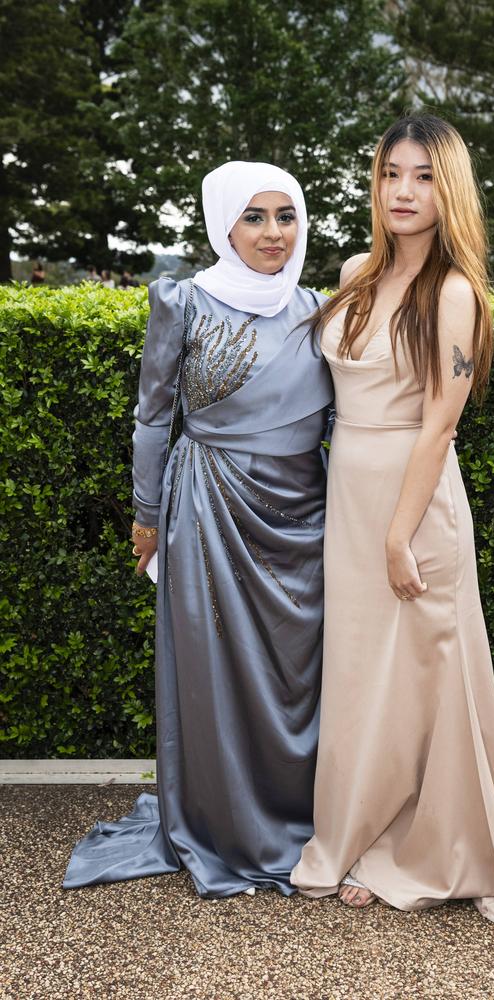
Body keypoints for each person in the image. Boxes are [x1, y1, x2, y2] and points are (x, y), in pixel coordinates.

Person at [63, 161, 333, 898]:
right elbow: (154, 418)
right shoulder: (183, 301)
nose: (274, 233)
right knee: (215, 673)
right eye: (254, 217)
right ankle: (223, 824)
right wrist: (147, 515)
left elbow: (351, 417)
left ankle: (311, 819)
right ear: (222, 223)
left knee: (300, 675)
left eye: (286, 215)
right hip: (209, 508)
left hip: (305, 517)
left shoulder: (323, 307)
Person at [291, 114, 494, 924]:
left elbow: (438, 424)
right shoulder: (357, 270)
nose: (403, 191)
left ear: (449, 189)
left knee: (424, 679)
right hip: (348, 494)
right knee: (362, 681)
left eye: (424, 176)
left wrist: (399, 533)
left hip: (413, 503)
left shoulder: (455, 292)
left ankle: (424, 849)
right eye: (392, 173)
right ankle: (360, 828)